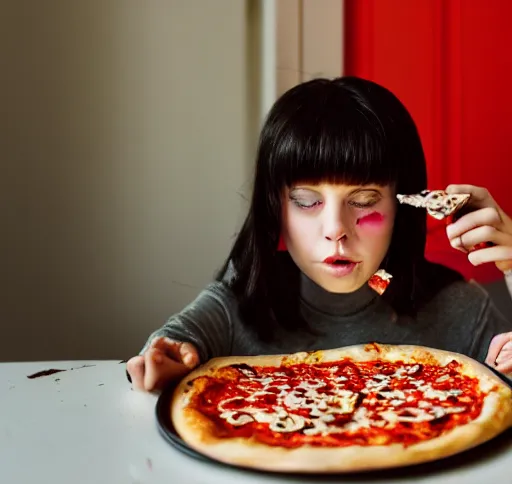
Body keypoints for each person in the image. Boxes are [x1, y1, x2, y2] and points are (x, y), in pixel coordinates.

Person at [126, 76, 512, 392]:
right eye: (307, 201)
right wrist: (163, 361)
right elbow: (169, 345)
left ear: (403, 205)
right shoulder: (240, 304)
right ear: (275, 208)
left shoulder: (459, 310)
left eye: (363, 201)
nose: (335, 231)